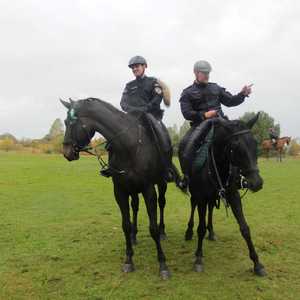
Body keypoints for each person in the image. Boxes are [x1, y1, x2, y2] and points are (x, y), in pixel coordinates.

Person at [101, 56, 176, 182]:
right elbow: (123, 103)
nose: (135, 68)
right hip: (132, 119)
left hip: (151, 118)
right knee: (113, 139)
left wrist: (144, 109)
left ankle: (168, 169)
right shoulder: (129, 86)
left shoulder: (153, 82)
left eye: (137, 66)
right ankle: (111, 167)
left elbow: (157, 99)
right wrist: (133, 110)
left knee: (163, 138)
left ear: (144, 66)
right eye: (133, 67)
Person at [179, 60, 252, 187]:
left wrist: (242, 94)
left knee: (239, 140)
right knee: (185, 143)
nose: (207, 75)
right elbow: (186, 113)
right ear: (196, 73)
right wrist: (204, 115)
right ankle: (186, 177)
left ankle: (240, 177)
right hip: (200, 125)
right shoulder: (187, 92)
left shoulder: (216, 87)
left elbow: (230, 101)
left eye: (208, 73)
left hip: (221, 124)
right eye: (204, 73)